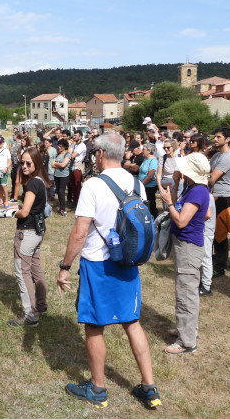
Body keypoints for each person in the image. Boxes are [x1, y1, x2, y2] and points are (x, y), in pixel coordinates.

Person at [57, 133, 160, 410]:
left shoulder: (93, 185)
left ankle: (98, 388)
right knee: (132, 321)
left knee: (94, 325)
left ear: (100, 154)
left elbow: (79, 233)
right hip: (127, 262)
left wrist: (64, 267)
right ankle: (149, 387)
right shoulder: (136, 182)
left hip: (98, 263)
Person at [158, 152, 211, 354]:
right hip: (188, 244)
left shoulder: (197, 191)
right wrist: (177, 183)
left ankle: (187, 342)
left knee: (186, 293)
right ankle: (187, 328)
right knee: (187, 290)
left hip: (189, 247)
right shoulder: (194, 188)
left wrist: (169, 203)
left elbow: (180, 220)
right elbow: (206, 213)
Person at [9, 147, 50, 327]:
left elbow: (25, 212)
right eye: (22, 162)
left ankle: (31, 314)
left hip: (27, 233)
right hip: (37, 233)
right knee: (35, 269)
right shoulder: (40, 181)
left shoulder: (33, 183)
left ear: (37, 164)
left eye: (28, 163)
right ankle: (40, 305)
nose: (24, 166)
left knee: (22, 272)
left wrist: (13, 212)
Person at [208, 127, 230, 279]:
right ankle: (215, 260)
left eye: (218, 137)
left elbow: (212, 177)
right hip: (214, 196)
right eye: (215, 136)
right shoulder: (217, 155)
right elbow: (208, 169)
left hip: (221, 197)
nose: (215, 139)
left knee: (220, 234)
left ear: (227, 139)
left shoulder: (227, 157)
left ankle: (220, 265)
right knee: (213, 232)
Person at [139, 143, 159, 219]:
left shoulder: (153, 161)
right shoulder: (145, 159)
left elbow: (150, 175)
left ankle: (153, 219)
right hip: (144, 186)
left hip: (149, 187)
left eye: (143, 149)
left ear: (149, 151)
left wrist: (141, 184)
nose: (142, 151)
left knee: (150, 204)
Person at [52, 138, 71, 216]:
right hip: (56, 175)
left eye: (61, 146)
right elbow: (52, 165)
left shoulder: (67, 154)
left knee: (61, 191)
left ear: (65, 147)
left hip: (64, 176)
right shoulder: (57, 154)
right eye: (58, 146)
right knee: (58, 192)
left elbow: (64, 165)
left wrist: (57, 164)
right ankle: (60, 207)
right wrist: (58, 164)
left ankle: (63, 209)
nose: (59, 147)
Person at [69, 130, 87, 206]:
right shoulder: (73, 145)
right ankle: (74, 200)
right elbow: (68, 154)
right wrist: (70, 146)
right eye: (73, 135)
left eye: (75, 136)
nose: (73, 137)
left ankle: (78, 202)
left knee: (77, 185)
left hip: (77, 166)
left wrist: (70, 152)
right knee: (72, 184)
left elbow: (72, 155)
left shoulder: (82, 146)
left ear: (80, 137)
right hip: (71, 166)